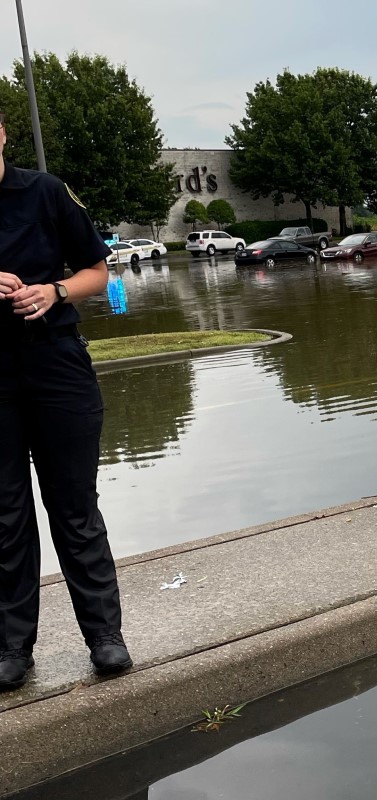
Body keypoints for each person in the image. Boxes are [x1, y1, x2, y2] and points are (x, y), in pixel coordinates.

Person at [0, 111, 132, 691]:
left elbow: (99, 272)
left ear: (2, 133)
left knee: (75, 506)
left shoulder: (45, 192)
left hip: (56, 364)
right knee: (4, 515)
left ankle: (105, 638)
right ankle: (11, 648)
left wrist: (52, 291)